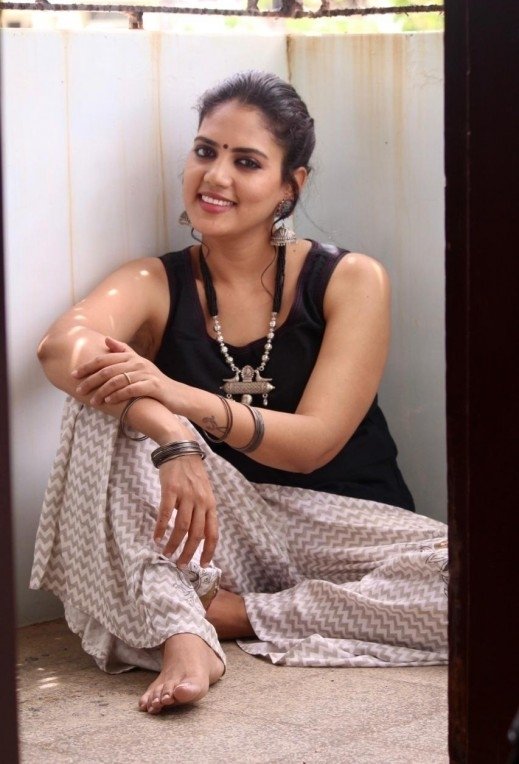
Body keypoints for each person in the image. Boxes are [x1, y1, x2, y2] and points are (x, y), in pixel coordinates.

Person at [33, 70, 448, 716]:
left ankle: (232, 616)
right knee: (100, 400)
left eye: (246, 162)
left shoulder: (348, 279)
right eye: (205, 151)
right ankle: (184, 635)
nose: (216, 176)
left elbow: (313, 445)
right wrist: (170, 434)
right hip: (215, 532)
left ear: (290, 185)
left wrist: (184, 399)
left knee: (486, 584)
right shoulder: (156, 281)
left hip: (342, 524)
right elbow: (61, 349)